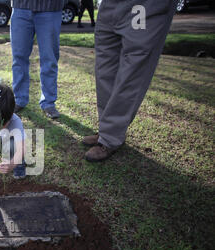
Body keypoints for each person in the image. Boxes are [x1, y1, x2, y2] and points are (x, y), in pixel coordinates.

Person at [83, 0, 177, 162]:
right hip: (110, 4)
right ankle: (106, 130)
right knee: (105, 70)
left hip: (146, 4)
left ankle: (110, 137)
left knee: (132, 74)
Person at [10, 0, 64, 119]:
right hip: (21, 6)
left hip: (50, 8)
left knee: (49, 59)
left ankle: (48, 103)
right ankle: (19, 99)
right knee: (18, 58)